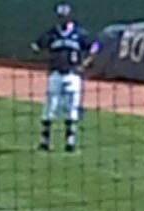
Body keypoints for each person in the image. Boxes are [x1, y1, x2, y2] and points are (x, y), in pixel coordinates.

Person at [31, 4, 100, 152]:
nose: (62, 19)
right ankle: (45, 141)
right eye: (60, 16)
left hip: (73, 75)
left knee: (72, 108)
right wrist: (49, 60)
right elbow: (36, 47)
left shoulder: (80, 33)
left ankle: (70, 142)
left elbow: (95, 46)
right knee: (50, 108)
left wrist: (85, 63)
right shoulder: (51, 34)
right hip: (55, 74)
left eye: (65, 16)